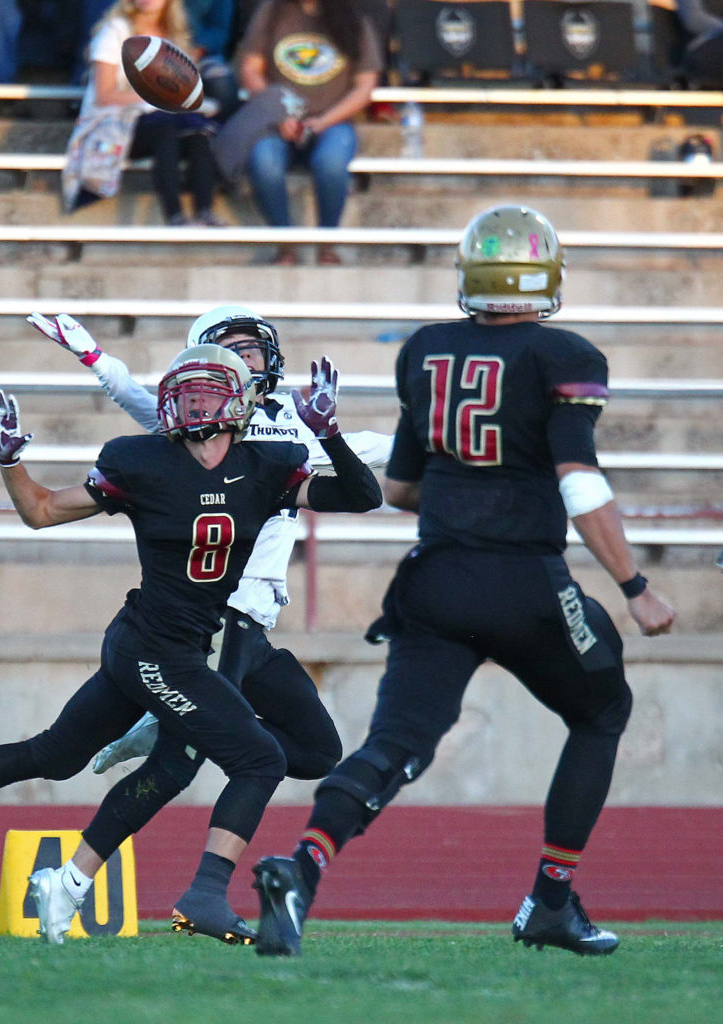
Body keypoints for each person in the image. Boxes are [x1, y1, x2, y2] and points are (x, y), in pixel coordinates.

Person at [250, 204, 677, 958]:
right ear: (546, 276)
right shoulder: (565, 354)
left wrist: (465, 476)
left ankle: (303, 868)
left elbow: (406, 488)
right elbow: (578, 481)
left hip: (435, 580)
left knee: (396, 745)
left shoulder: (427, 349)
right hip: (524, 581)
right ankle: (550, 899)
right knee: (602, 712)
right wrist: (636, 584)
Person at [0, 343, 383, 948]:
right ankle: (204, 893)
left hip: (177, 646)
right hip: (153, 648)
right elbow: (41, 511)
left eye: (209, 390)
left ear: (241, 402)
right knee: (258, 758)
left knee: (58, 754)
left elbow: (362, 495)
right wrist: (9, 462)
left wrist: (333, 434)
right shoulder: (142, 462)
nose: (194, 402)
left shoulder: (267, 466)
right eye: (185, 391)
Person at [26, 305, 392, 784]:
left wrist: (441, 438)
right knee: (193, 757)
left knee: (301, 750)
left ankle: (166, 733)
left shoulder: (297, 425)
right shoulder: (201, 428)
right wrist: (96, 358)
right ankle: (102, 854)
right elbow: (137, 399)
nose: (249, 360)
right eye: (233, 350)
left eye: (253, 349)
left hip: (259, 606)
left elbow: (378, 450)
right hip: (223, 601)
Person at [237, 0, 383, 265]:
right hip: (278, 120)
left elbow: (365, 85)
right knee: (263, 160)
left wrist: (326, 120)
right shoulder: (272, 12)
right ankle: (284, 244)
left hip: (333, 121)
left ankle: (327, 244)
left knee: (331, 163)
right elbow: (250, 69)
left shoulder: (353, 18)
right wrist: (278, 110)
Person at [65, 0, 225, 222]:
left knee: (198, 132)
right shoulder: (114, 31)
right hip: (113, 123)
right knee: (165, 129)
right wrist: (155, 101)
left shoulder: (173, 34)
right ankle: (175, 216)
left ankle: (205, 211)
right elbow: (104, 96)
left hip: (154, 119)